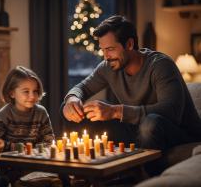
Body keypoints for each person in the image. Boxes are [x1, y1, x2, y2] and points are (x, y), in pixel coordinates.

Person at [62, 15, 201, 172]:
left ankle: (145, 181)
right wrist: (71, 99)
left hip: (178, 132)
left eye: (110, 49)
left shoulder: (161, 65)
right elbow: (82, 87)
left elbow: (171, 112)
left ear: (129, 44)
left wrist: (116, 111)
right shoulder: (108, 66)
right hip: (137, 128)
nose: (106, 56)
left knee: (150, 123)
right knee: (76, 112)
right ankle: (88, 175)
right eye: (103, 50)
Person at [0, 66, 57, 186]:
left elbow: (50, 141)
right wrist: (18, 148)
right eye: (26, 91)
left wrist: (32, 152)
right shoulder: (4, 115)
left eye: (35, 91)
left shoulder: (41, 112)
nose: (32, 96)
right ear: (12, 93)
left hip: (37, 164)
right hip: (11, 167)